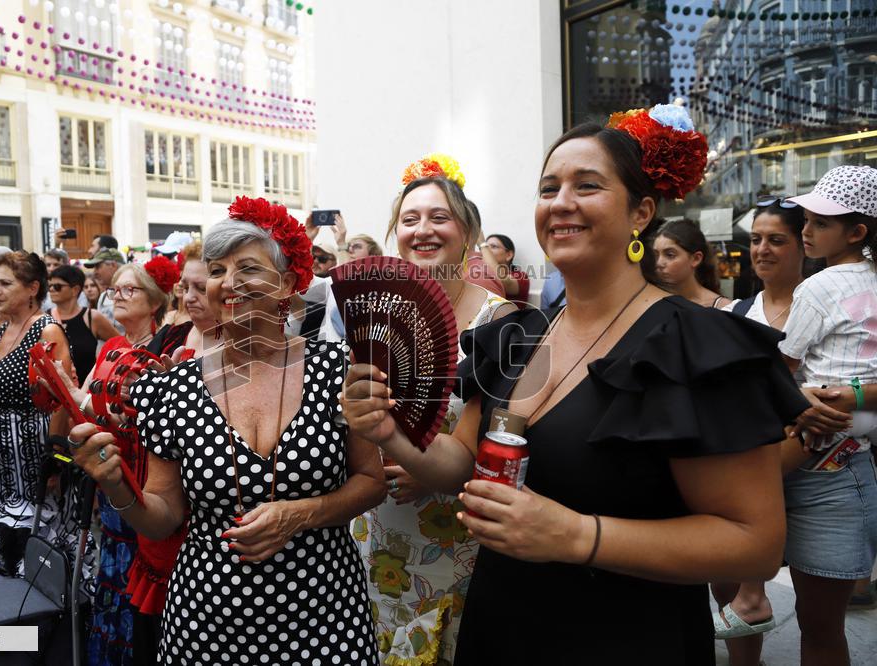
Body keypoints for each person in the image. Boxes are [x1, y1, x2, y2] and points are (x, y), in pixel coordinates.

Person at [343, 108, 810, 664]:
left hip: (625, 636)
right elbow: (462, 464)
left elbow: (754, 545)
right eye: (548, 188)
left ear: (642, 211)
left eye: (587, 185)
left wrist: (578, 535)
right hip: (501, 623)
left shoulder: (691, 345)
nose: (561, 201)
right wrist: (390, 431)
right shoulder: (517, 335)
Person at [67, 197, 385, 664]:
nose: (229, 283)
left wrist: (302, 513)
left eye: (248, 268)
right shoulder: (170, 389)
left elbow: (372, 482)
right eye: (217, 271)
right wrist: (117, 486)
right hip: (207, 621)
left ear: (288, 285)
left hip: (325, 614)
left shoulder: (337, 369)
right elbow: (164, 515)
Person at [355, 155, 515, 665]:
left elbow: (505, 442)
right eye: (409, 219)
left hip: (455, 531)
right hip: (378, 528)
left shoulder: (500, 321)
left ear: (467, 231)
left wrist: (431, 471)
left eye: (438, 217)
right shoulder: (375, 313)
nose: (422, 230)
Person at [42, 257, 189, 665]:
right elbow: (85, 403)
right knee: (111, 566)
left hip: (143, 477)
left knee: (137, 572)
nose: (119, 296)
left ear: (155, 301)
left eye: (130, 290)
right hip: (106, 473)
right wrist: (62, 384)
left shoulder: (169, 351)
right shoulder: (112, 346)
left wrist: (84, 398)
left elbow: (139, 417)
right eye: (116, 290)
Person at [0, 251, 94, 589]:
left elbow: (61, 401)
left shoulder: (46, 329)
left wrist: (53, 459)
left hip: (33, 463)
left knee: (36, 547)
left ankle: (39, 627)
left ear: (32, 288)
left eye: (5, 283)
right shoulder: (1, 330)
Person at [775, 165, 877, 666]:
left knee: (816, 624)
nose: (806, 232)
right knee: (825, 626)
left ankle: (747, 600)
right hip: (853, 459)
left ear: (856, 233)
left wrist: (809, 398)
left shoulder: (818, 288)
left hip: (815, 460)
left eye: (819, 223)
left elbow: (781, 369)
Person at [711, 198, 806, 665]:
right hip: (741, 470)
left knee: (818, 616)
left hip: (814, 471)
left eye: (776, 240)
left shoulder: (825, 305)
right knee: (726, 587)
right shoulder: (736, 311)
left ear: (803, 244)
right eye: (755, 240)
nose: (762, 250)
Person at [46, 265, 119, 386]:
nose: (52, 289)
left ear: (75, 290)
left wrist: (106, 371)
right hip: (55, 396)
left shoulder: (92, 317)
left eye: (57, 286)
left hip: (86, 396)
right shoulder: (45, 319)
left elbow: (120, 344)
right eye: (50, 286)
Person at [653, 218, 732, 308]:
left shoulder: (723, 308)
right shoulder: (652, 303)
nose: (659, 263)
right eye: (656, 255)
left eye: (670, 255)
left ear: (696, 259)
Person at [480, 233, 531, 307]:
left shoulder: (521, 277)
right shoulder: (481, 276)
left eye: (493, 246)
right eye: (487, 247)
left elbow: (501, 279)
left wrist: (482, 244)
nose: (486, 252)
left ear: (509, 255)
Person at [86, 248, 127, 335]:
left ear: (113, 265)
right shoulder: (104, 296)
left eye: (98, 267)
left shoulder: (132, 293)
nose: (95, 272)